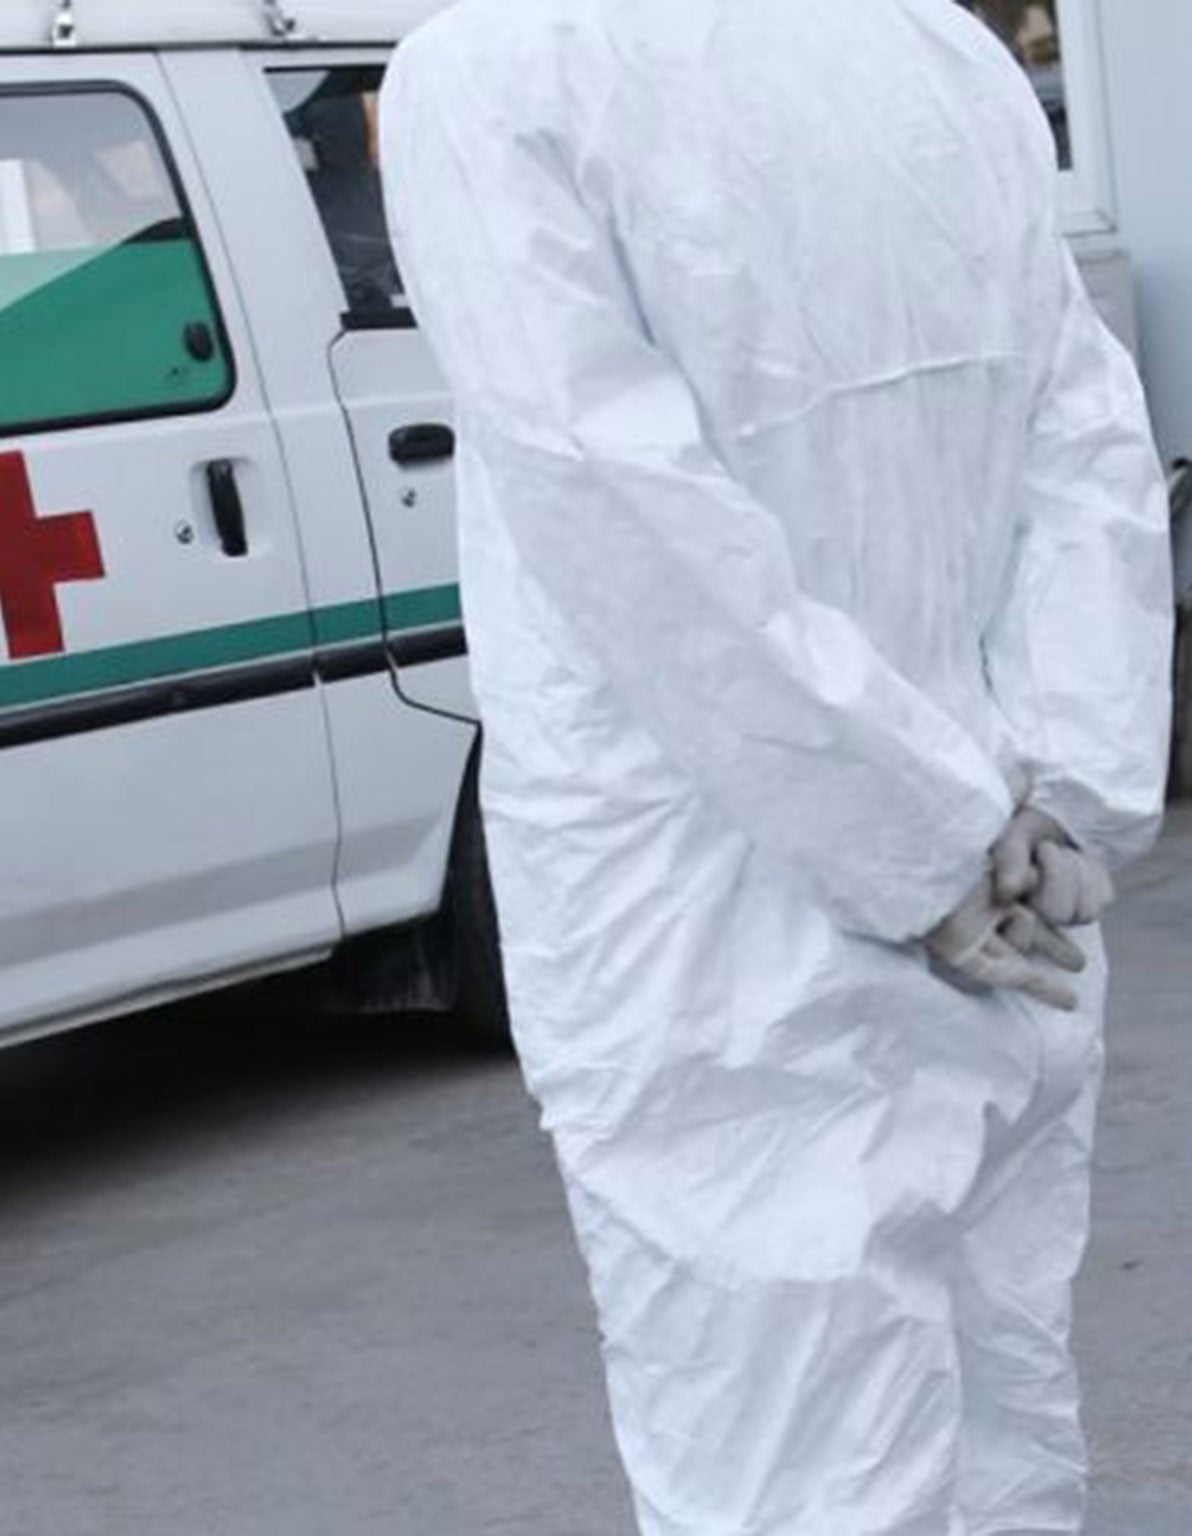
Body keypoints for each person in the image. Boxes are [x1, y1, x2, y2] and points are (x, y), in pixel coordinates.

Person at [380, 2, 1172, 1533]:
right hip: (1015, 885)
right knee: (1005, 1418)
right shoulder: (937, 48)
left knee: (785, 1455)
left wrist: (918, 841)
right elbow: (1084, 438)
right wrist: (1067, 786)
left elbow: (617, 509)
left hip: (711, 909)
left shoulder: (496, 67)